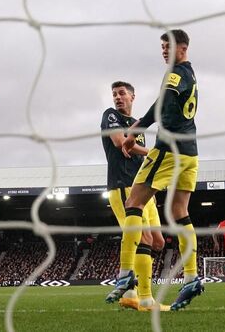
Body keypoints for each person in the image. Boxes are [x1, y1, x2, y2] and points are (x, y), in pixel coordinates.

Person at [121, 29, 201, 311]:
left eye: (169, 46)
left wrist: (136, 130)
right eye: (162, 47)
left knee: (133, 203)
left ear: (183, 48)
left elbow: (163, 105)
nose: (164, 51)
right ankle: (191, 277)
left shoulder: (175, 73)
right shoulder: (189, 73)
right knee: (180, 212)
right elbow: (163, 102)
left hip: (169, 149)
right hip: (190, 152)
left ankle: (125, 273)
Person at [100, 81, 164, 307]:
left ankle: (128, 291)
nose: (117, 97)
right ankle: (144, 298)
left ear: (132, 97)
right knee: (144, 238)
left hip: (143, 188)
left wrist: (152, 188)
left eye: (122, 93)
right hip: (122, 186)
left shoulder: (137, 125)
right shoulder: (110, 116)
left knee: (158, 242)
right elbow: (121, 143)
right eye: (114, 94)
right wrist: (154, 152)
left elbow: (139, 159)